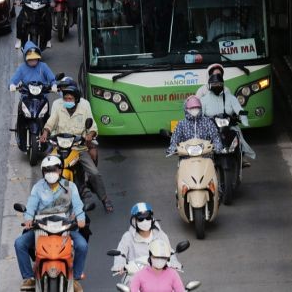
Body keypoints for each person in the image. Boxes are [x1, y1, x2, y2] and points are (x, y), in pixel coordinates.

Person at [39, 80, 115, 213]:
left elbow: (92, 127)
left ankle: (104, 198)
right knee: (47, 167)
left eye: (70, 98)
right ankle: (44, 198)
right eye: (65, 98)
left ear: (76, 99)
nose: (67, 100)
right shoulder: (58, 105)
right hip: (60, 147)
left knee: (94, 173)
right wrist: (45, 132)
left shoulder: (84, 106)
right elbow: (50, 122)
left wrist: (90, 135)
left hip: (78, 148)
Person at [14, 156, 87, 292]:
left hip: (65, 227)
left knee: (82, 246)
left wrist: (80, 218)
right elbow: (31, 205)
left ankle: (76, 278)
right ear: (43, 172)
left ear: (60, 170)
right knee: (19, 244)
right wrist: (28, 219)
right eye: (47, 170)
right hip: (41, 227)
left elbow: (77, 205)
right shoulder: (38, 188)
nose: (50, 173)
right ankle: (29, 277)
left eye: (53, 169)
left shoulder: (70, 186)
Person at [111, 203, 181, 277]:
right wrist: (119, 265)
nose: (145, 221)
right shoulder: (127, 237)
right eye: (141, 219)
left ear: (151, 218)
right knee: (126, 288)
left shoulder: (160, 234)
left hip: (159, 275)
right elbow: (121, 253)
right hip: (135, 277)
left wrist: (174, 263)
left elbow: (169, 251)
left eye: (147, 218)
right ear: (134, 221)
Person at [201, 73, 256, 162]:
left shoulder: (231, 98)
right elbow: (199, 115)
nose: (217, 86)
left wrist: (244, 120)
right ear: (209, 86)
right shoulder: (203, 100)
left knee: (238, 134)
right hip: (210, 127)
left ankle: (241, 155)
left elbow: (239, 109)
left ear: (223, 85)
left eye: (219, 84)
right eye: (214, 84)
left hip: (229, 126)